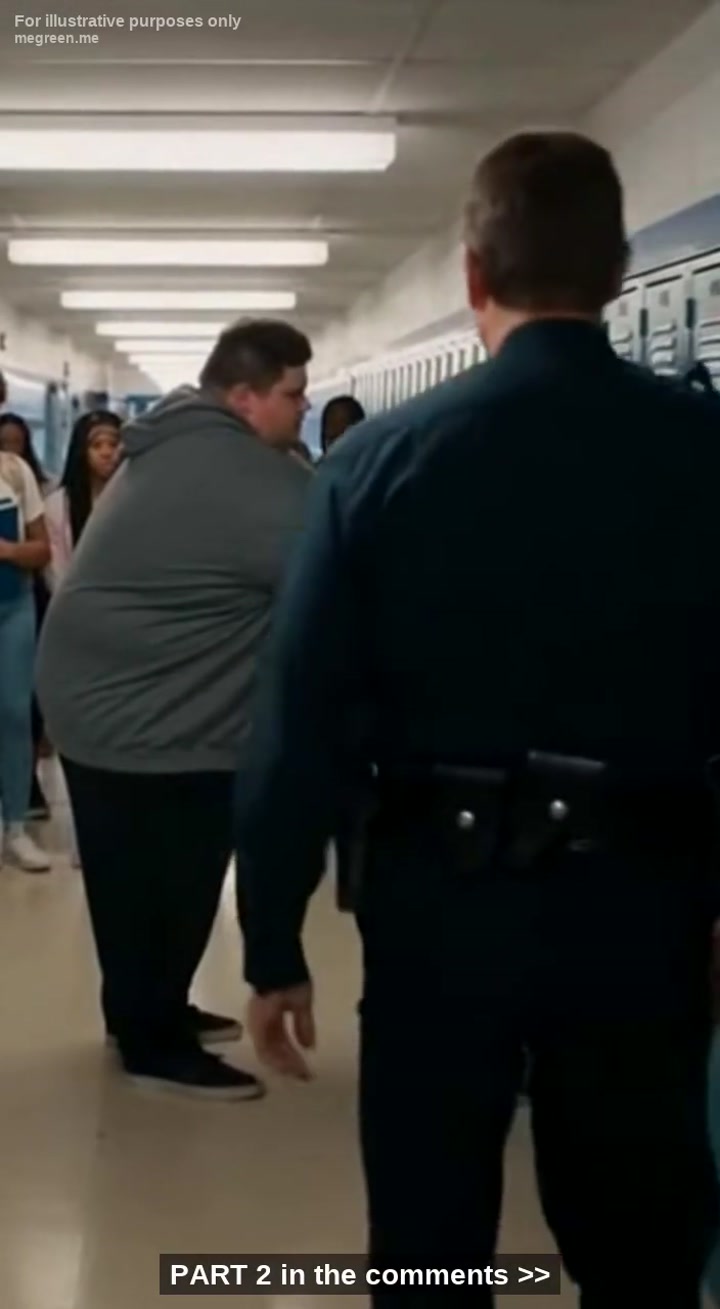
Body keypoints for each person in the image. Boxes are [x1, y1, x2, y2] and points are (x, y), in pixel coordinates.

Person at [234, 133, 720, 1305]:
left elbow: (298, 716)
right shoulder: (704, 449)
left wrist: (272, 941)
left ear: (472, 274)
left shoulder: (375, 464)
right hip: (644, 902)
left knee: (430, 1233)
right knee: (641, 1239)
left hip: (439, 906)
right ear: (617, 272)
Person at [37, 319, 312, 1099]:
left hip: (105, 698)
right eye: (293, 393)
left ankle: (145, 1010)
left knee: (133, 878)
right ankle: (153, 1042)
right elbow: (334, 567)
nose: (304, 407)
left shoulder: (173, 445)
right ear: (245, 397)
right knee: (173, 879)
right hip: (147, 715)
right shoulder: (247, 475)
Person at [0, 413, 54, 820]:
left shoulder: (15, 472)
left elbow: (41, 550)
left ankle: (16, 822)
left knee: (15, 714)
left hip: (14, 606)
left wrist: (8, 551)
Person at [43, 410, 122, 590]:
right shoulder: (58, 505)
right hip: (75, 597)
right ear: (81, 451)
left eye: (113, 444)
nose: (106, 452)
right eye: (96, 445)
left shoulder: (136, 497)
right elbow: (56, 571)